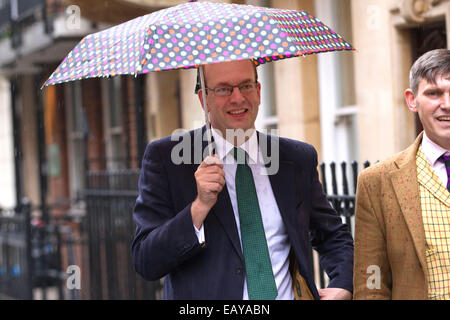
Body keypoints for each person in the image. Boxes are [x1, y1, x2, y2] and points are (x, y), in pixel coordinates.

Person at [132, 59, 354, 300]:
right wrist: (199, 207)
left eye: (246, 85)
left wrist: (343, 284)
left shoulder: (296, 159)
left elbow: (333, 235)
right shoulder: (168, 159)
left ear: (258, 92)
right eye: (224, 89)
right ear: (202, 99)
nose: (238, 98)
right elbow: (146, 261)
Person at [353, 49, 450, 300]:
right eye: (434, 93)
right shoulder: (377, 182)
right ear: (412, 100)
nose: (446, 104)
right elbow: (371, 281)